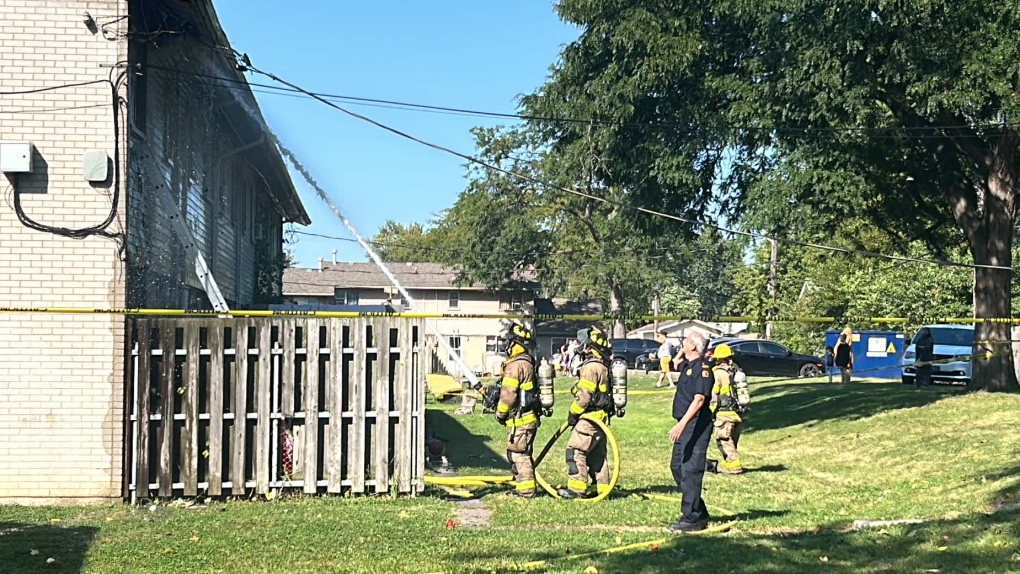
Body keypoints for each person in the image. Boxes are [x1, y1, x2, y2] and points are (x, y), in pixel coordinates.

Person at [558, 325, 614, 500]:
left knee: (575, 451)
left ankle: (577, 488)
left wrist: (573, 413)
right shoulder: (603, 366)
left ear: (589, 347)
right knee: (598, 456)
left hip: (589, 418)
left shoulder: (590, 368)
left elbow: (584, 398)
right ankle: (602, 488)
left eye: (583, 344)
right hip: (601, 418)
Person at [667, 331, 714, 532]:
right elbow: (674, 365)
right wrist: (681, 352)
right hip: (685, 423)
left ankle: (692, 518)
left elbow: (700, 399)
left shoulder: (703, 369)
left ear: (694, 346)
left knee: (690, 469)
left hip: (695, 424)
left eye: (686, 341)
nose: (682, 343)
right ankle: (698, 509)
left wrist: (682, 424)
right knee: (677, 466)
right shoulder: (688, 365)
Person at [493, 322, 541, 498]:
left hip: (521, 419)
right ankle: (520, 483)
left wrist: (500, 414)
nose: (507, 345)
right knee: (520, 452)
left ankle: (526, 490)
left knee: (519, 454)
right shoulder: (528, 362)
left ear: (515, 344)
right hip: (528, 418)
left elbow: (508, 395)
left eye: (509, 341)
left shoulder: (515, 366)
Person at [708, 343, 743, 474]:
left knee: (723, 440)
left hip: (724, 414)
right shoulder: (736, 371)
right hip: (737, 413)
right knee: (731, 442)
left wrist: (710, 412)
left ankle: (734, 465)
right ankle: (728, 464)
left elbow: (714, 395)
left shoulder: (717, 373)